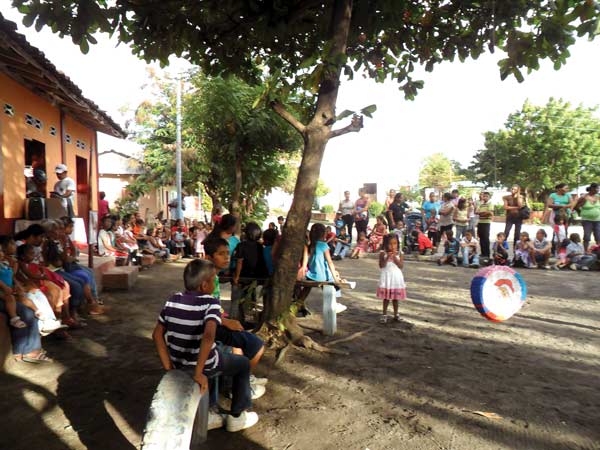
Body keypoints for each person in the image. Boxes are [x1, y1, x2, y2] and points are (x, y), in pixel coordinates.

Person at [152, 259, 259, 432]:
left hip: (178, 362)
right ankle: (237, 416)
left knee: (219, 350)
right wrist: (198, 372)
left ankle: (211, 405)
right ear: (204, 285)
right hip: (204, 365)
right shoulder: (211, 303)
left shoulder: (172, 299)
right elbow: (209, 336)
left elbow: (157, 334)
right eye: (214, 279)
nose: (215, 283)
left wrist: (169, 367)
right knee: (243, 364)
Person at [377, 234, 406, 324]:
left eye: (395, 243)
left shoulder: (400, 253)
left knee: (395, 298)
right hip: (387, 278)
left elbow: (401, 266)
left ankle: (396, 314)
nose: (393, 246)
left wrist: (394, 258)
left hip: (396, 278)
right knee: (386, 298)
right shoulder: (383, 253)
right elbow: (381, 266)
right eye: (390, 244)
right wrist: (387, 258)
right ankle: (384, 314)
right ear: (385, 244)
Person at [574, 183, 600, 253]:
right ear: (591, 188)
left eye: (598, 188)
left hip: (597, 220)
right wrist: (581, 213)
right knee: (587, 236)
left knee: (598, 236)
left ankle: (598, 251)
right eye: (596, 188)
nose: (598, 190)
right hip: (587, 220)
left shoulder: (598, 197)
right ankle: (586, 251)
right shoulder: (584, 197)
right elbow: (576, 207)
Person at [503, 185, 525, 250]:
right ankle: (503, 246)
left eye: (515, 189)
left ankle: (516, 248)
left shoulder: (520, 197)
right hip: (510, 217)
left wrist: (517, 196)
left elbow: (520, 205)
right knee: (506, 232)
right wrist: (516, 207)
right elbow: (505, 207)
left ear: (518, 190)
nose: (513, 190)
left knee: (517, 234)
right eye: (512, 189)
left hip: (518, 217)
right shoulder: (506, 197)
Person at [475, 192, 493, 259]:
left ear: (489, 197)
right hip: (480, 222)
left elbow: (490, 213)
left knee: (486, 238)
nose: (485, 197)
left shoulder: (490, 204)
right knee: (481, 238)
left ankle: (487, 254)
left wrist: (481, 213)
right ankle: (482, 253)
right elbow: (476, 211)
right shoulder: (480, 204)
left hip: (486, 222)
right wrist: (483, 213)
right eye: (484, 196)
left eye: (486, 196)